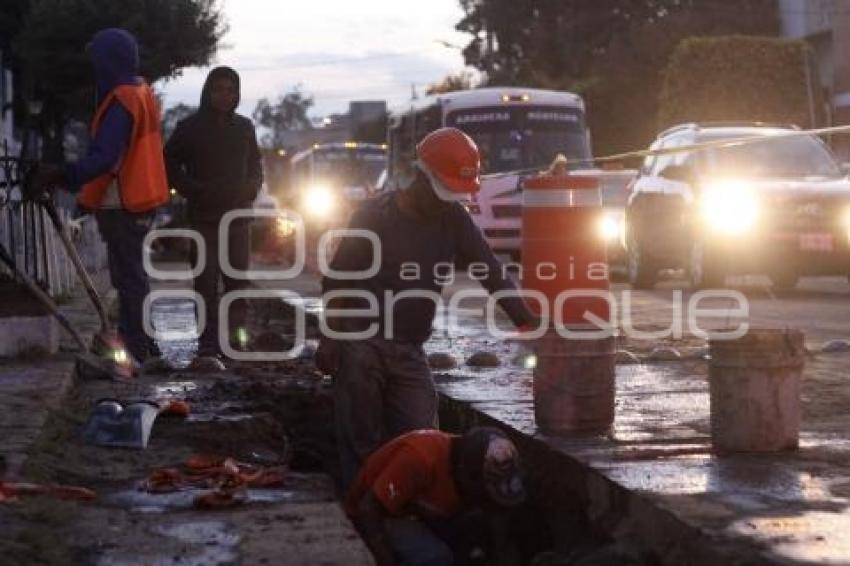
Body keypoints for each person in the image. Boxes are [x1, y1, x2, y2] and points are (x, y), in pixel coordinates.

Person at [318, 127, 537, 489]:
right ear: (421, 176)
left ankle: (412, 509)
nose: (444, 201)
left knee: (424, 441)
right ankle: (364, 509)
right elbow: (338, 281)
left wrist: (525, 318)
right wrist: (329, 339)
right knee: (363, 444)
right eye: (442, 192)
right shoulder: (373, 216)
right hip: (361, 343)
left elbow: (490, 270)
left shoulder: (452, 219)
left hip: (408, 347)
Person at [32, 28, 169, 366]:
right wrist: (83, 199)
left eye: (97, 59)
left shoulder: (122, 98)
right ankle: (145, 347)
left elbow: (106, 157)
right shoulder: (142, 92)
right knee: (134, 275)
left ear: (109, 60)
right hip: (139, 197)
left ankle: (134, 352)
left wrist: (62, 174)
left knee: (128, 277)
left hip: (123, 200)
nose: (94, 67)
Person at [164, 66, 263, 359]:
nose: (225, 95)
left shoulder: (245, 128)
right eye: (219, 89)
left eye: (231, 90)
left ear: (238, 94)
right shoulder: (189, 128)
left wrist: (252, 187)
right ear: (208, 92)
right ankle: (208, 344)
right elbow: (168, 162)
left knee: (236, 282)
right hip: (203, 219)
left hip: (238, 219)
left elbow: (256, 163)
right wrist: (192, 189)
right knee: (205, 283)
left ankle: (236, 339)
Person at [346, 427, 525, 566]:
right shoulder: (420, 458)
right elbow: (367, 509)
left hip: (423, 509)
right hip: (382, 514)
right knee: (436, 557)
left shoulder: (471, 461)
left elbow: (499, 511)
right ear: (463, 473)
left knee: (474, 542)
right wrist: (386, 560)